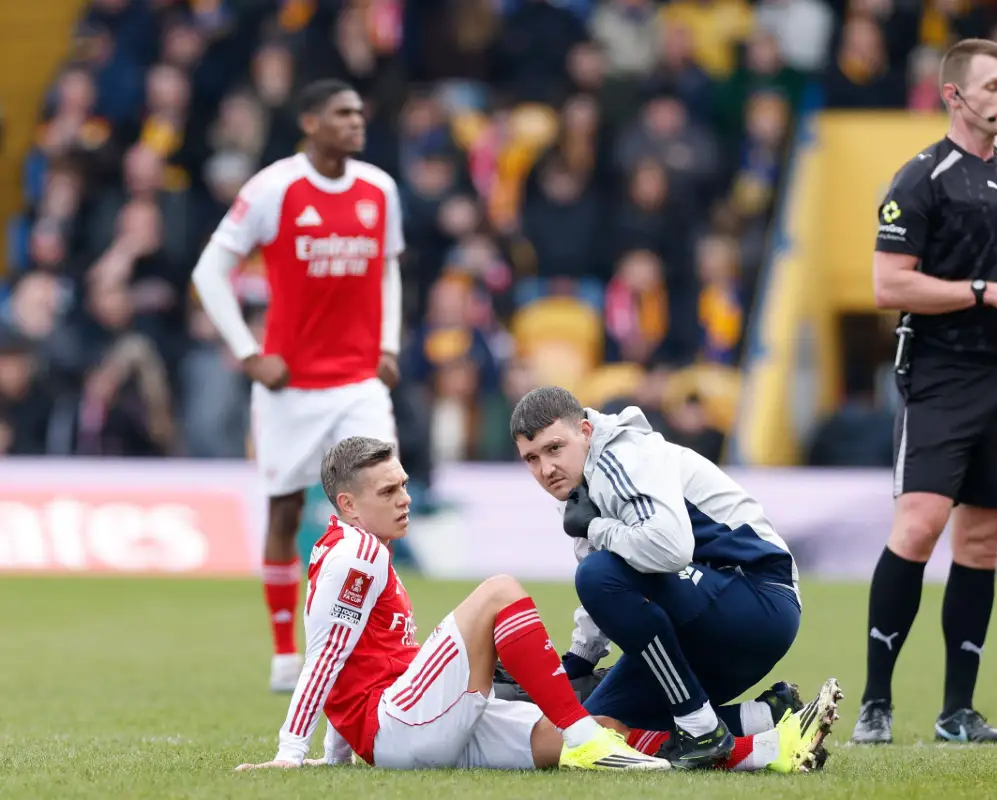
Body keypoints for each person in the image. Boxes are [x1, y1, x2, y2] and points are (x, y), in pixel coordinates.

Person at [234, 436, 834, 774]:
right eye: (388, 491)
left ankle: (769, 739)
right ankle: (579, 727)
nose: (405, 499)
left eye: (405, 484)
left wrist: (340, 757)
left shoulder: (355, 548)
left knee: (596, 732)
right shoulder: (358, 554)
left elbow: (351, 663)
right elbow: (326, 658)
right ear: (347, 503)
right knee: (499, 593)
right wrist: (294, 754)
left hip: (405, 730)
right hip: (399, 726)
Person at [853, 38, 997, 745]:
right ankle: (875, 704)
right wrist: (984, 292)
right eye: (994, 87)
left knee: (983, 542)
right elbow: (889, 285)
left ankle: (957, 713)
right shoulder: (922, 179)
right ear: (954, 96)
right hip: (943, 374)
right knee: (918, 527)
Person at [191, 79, 404, 693]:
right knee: (284, 509)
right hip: (291, 386)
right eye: (342, 113)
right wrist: (249, 353)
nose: (356, 121)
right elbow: (210, 271)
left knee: (384, 496)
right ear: (310, 121)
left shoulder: (379, 189)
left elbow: (387, 269)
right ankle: (286, 655)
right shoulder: (273, 187)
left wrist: (388, 343)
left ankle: (376, 644)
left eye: (360, 112)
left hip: (360, 381)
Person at [510, 387, 837, 769]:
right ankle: (768, 719)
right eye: (531, 458)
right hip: (706, 610)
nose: (545, 469)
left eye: (554, 448)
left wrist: (597, 528)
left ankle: (699, 726)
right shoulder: (581, 482)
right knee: (598, 727)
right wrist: (580, 659)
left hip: (759, 599)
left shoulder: (623, 457)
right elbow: (611, 563)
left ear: (584, 431)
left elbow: (669, 550)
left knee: (597, 575)